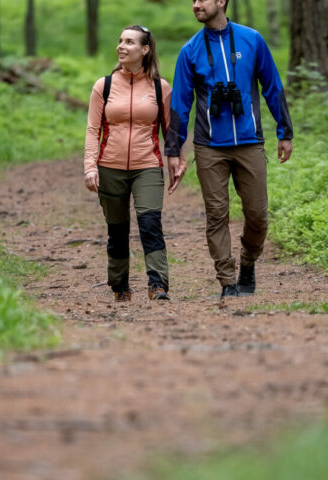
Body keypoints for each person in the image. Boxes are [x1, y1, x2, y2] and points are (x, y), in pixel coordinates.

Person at [164, 0, 294, 298]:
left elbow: (272, 86)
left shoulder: (252, 39)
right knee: (217, 214)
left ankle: (248, 263)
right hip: (209, 145)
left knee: (258, 215)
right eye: (193, 1)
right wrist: (174, 150)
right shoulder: (190, 50)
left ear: (221, 1)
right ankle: (227, 281)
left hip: (250, 142)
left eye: (202, 0)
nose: (196, 5)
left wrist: (285, 132)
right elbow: (180, 105)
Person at [84, 25, 182, 302]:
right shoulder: (103, 85)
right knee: (117, 230)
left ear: (145, 49)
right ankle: (120, 286)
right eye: (120, 41)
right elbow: (93, 130)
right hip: (109, 166)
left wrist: (178, 160)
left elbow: (170, 130)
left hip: (147, 165)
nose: (121, 46)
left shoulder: (159, 87)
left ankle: (158, 284)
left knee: (150, 223)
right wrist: (90, 166)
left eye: (129, 42)